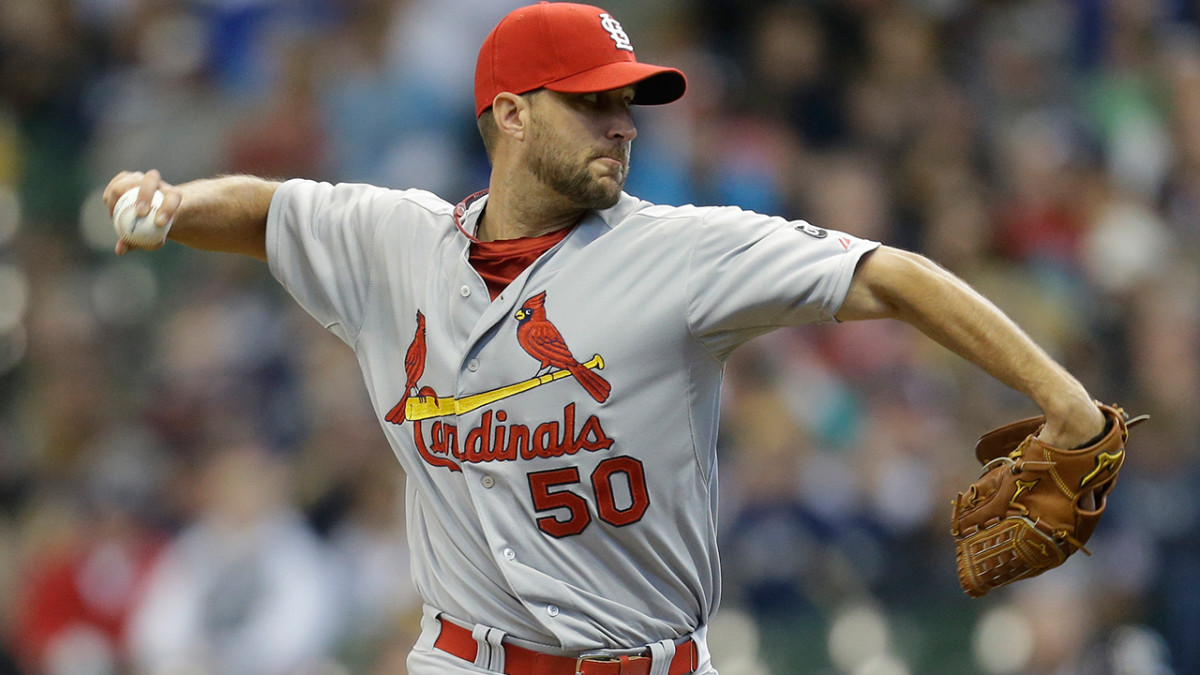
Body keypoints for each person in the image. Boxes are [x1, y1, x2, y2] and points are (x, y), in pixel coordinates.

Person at [102, 3, 1107, 674]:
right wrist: (174, 199)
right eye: (589, 102)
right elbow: (271, 208)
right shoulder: (393, 242)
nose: (621, 123)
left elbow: (891, 273)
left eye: (625, 101)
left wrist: (1065, 406)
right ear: (508, 114)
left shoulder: (683, 252)